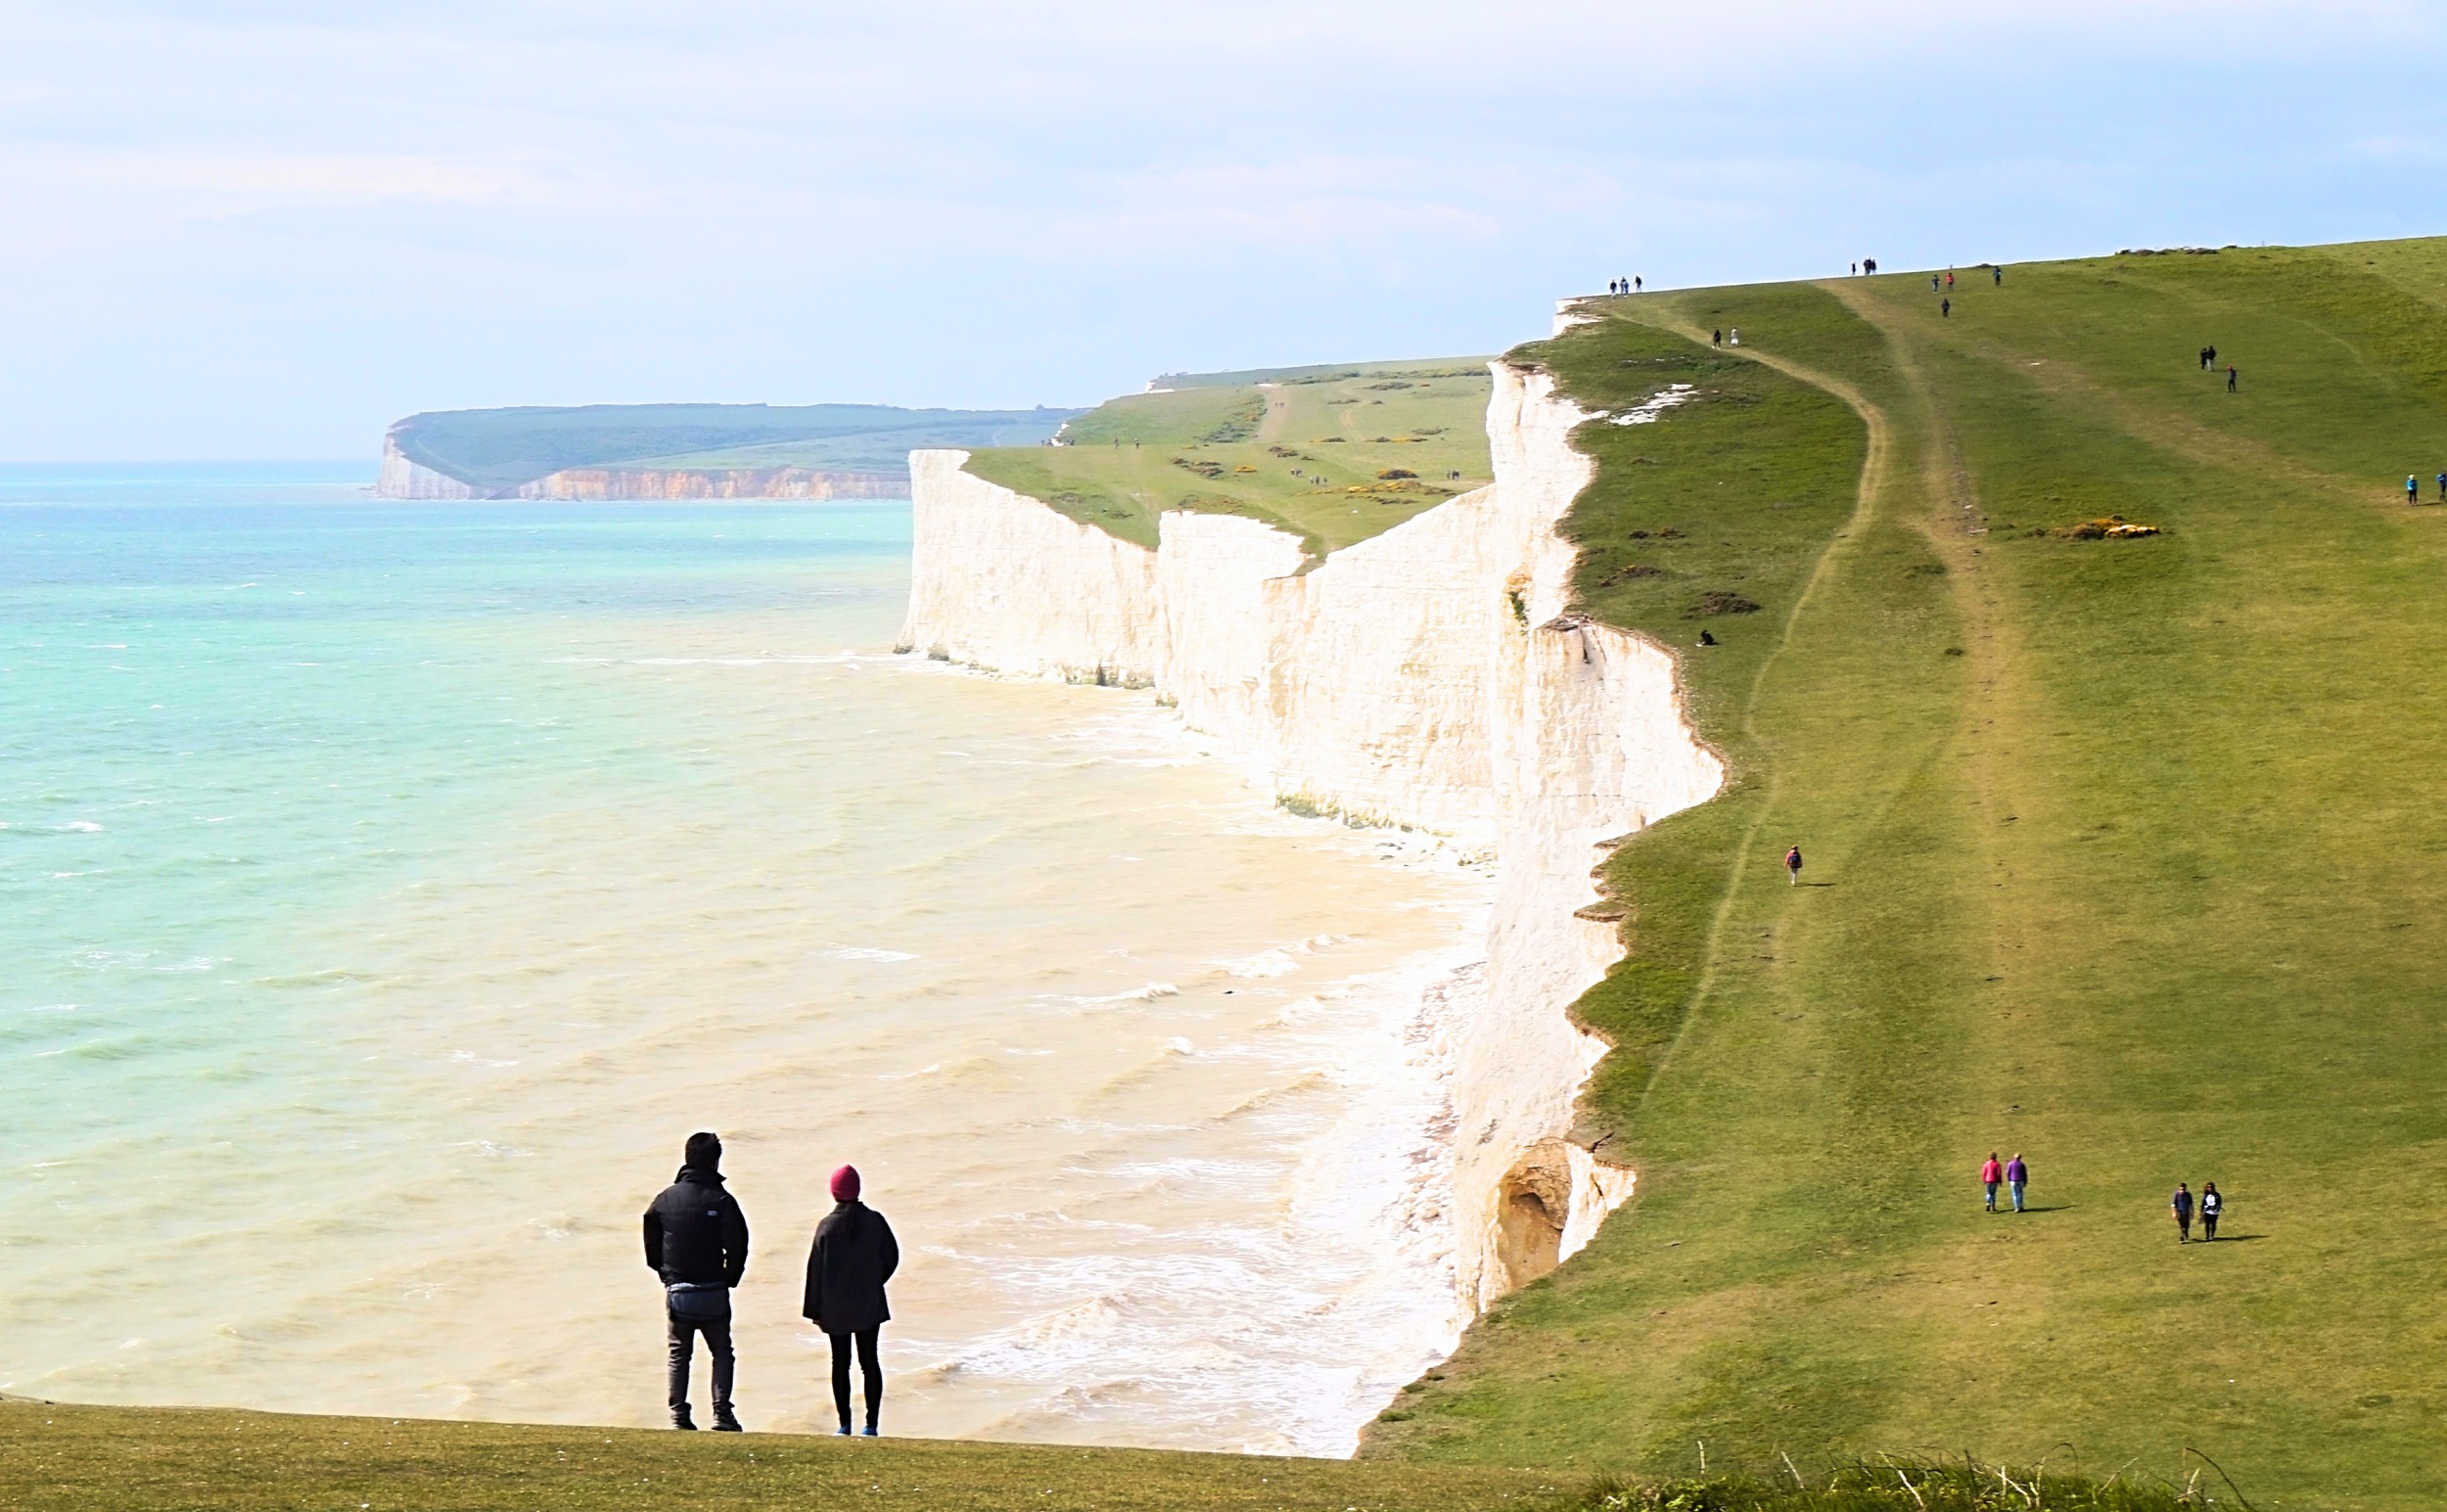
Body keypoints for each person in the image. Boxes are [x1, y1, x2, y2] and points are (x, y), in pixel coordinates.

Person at [644, 1131, 750, 1431]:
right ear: (715, 1161)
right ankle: (722, 1413)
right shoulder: (722, 1200)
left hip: (678, 1292)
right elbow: (739, 1244)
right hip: (713, 1291)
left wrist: (665, 1274)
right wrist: (730, 1277)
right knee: (722, 1352)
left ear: (686, 1159)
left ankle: (678, 1415)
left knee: (679, 1353)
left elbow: (651, 1245)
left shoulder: (664, 1200)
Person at [806, 1164, 900, 1438]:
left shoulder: (827, 1226)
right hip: (869, 1301)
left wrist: (815, 1310)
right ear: (857, 1190)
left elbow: (815, 1271)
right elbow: (891, 1256)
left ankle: (844, 1424)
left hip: (835, 1306)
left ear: (834, 1193)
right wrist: (875, 1281)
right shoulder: (875, 1221)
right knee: (869, 1360)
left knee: (840, 1363)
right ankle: (871, 1425)